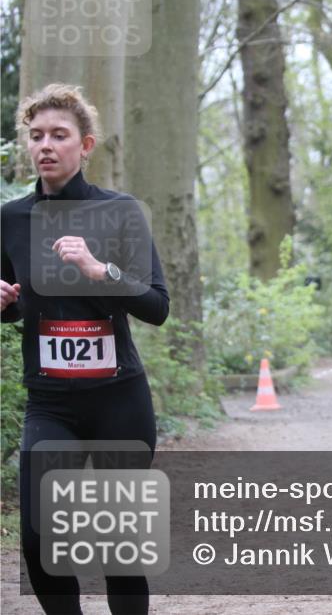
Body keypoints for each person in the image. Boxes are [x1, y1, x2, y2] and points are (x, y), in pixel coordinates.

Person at [1, 84, 169, 614]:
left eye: (59, 135)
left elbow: (157, 306)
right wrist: (4, 304)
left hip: (119, 400)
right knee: (38, 537)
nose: (45, 145)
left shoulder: (120, 212)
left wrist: (101, 270)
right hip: (50, 402)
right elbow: (17, 304)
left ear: (86, 144)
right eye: (36, 136)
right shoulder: (11, 218)